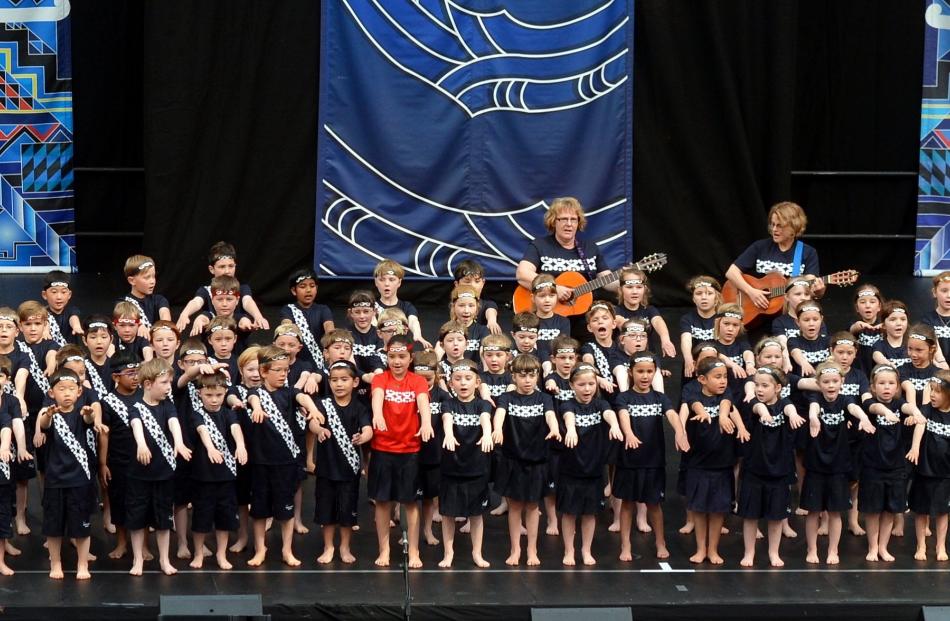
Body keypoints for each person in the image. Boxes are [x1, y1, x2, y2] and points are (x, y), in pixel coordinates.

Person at [245, 346, 322, 568]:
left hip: (286, 463)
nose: (282, 374)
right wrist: (257, 409)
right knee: (259, 511)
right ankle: (260, 549)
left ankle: (287, 550)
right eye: (277, 370)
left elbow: (303, 398)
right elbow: (253, 400)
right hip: (261, 463)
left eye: (286, 370)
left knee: (286, 511)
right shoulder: (256, 393)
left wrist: (313, 409)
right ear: (263, 371)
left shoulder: (288, 393)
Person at [614, 352, 689, 562]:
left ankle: (660, 542)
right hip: (629, 461)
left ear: (655, 373)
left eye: (649, 371)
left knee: (654, 504)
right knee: (627, 504)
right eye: (640, 371)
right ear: (631, 372)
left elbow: (672, 414)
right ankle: (626, 544)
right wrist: (628, 433)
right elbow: (623, 415)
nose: (645, 376)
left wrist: (680, 431)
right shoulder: (624, 397)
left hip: (653, 461)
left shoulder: (660, 397)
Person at [369, 334, 434, 568]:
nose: (396, 361)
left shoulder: (417, 381)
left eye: (401, 356)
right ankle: (384, 550)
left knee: (410, 502)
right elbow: (377, 397)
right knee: (383, 502)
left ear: (410, 358)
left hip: (410, 450)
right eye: (392, 356)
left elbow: (423, 403)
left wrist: (426, 423)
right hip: (383, 449)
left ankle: (414, 550)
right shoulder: (381, 379)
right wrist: (377, 414)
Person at [802, 361, 874, 565]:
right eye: (826, 382)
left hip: (838, 465)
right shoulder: (815, 398)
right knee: (813, 511)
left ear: (842, 381)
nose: (831, 385)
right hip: (816, 464)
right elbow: (813, 408)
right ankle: (812, 549)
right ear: (819, 383)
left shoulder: (845, 400)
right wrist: (813, 417)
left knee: (835, 512)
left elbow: (854, 408)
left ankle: (833, 550)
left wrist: (863, 418)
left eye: (835, 381)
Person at [492, 354, 559, 566]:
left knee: (532, 507)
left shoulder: (544, 398)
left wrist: (555, 428)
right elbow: (500, 414)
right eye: (522, 375)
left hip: (537, 461)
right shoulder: (507, 398)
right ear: (513, 377)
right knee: (514, 507)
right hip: (513, 460)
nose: (528, 380)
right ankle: (515, 549)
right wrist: (496, 429)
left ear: (537, 376)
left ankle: (532, 550)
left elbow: (550, 416)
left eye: (532, 375)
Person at [128, 359, 192, 576]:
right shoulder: (136, 406)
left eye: (169, 382)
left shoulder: (168, 405)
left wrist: (179, 442)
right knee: (137, 520)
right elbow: (136, 424)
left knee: (164, 520)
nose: (168, 387)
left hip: (163, 473)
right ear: (147, 384)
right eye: (164, 382)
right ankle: (138, 559)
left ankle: (165, 559)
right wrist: (141, 444)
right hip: (139, 475)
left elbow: (174, 422)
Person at [737, 366, 803, 568]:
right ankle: (749, 552)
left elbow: (789, 407)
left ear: (778, 388)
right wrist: (764, 412)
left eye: (765, 385)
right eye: (757, 385)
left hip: (779, 470)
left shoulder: (785, 404)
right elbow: (757, 407)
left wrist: (792, 415)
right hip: (754, 469)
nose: (759, 389)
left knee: (776, 517)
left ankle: (774, 552)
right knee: (750, 516)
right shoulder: (753, 403)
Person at [558, 364, 623, 566]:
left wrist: (614, 425)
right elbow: (568, 417)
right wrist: (570, 430)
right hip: (570, 469)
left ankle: (586, 550)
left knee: (589, 513)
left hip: (594, 469)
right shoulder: (567, 405)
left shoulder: (600, 405)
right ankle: (569, 550)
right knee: (569, 513)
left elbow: (609, 414)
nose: (587, 389)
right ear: (572, 385)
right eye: (581, 384)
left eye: (591, 384)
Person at [685, 357, 748, 564]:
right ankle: (700, 548)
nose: (723, 381)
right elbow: (694, 404)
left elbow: (726, 403)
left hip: (722, 465)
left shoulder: (726, 395)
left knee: (718, 510)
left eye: (725, 377)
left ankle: (713, 549)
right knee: (700, 510)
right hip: (698, 464)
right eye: (717, 377)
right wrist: (701, 412)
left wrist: (723, 416)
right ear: (702, 379)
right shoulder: (693, 393)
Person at [38, 370, 97, 581]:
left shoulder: (82, 412)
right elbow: (43, 426)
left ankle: (82, 563)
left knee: (81, 526)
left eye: (71, 389)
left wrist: (90, 413)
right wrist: (48, 415)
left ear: (79, 391)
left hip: (80, 479)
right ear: (51, 392)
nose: (67, 393)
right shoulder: (50, 413)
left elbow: (90, 420)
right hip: (55, 480)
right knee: (53, 528)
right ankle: (56, 563)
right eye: (61, 389)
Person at [312, 361, 371, 564]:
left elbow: (368, 429)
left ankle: (344, 547)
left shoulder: (360, 408)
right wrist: (319, 430)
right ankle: (328, 546)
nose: (339, 384)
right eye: (334, 380)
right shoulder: (323, 404)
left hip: (349, 470)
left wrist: (364, 437)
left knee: (347, 512)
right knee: (326, 512)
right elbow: (313, 421)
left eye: (344, 380)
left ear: (355, 382)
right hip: (326, 469)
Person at [188, 371, 248, 570]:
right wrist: (210, 448)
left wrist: (240, 445)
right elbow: (202, 430)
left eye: (219, 395)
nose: (214, 400)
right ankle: (198, 553)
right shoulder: (196, 413)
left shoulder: (229, 412)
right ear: (199, 393)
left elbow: (235, 428)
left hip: (226, 476)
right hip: (203, 476)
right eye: (209, 395)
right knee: (201, 518)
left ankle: (221, 554)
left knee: (225, 518)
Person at [862, 364, 922, 562]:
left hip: (895, 466)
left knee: (889, 510)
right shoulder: (869, 403)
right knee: (873, 510)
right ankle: (872, 547)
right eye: (881, 383)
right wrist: (885, 413)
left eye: (891, 384)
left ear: (897, 387)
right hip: (873, 466)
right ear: (873, 386)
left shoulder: (899, 405)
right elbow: (875, 407)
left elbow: (907, 406)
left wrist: (916, 412)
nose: (886, 387)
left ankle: (882, 547)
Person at [438, 359, 493, 568]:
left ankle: (477, 553)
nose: (463, 383)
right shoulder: (448, 404)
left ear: (477, 382)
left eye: (468, 379)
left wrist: (487, 434)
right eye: (458, 379)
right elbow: (447, 420)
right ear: (451, 383)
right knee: (448, 514)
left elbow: (485, 419)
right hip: (452, 467)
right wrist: (449, 434)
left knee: (476, 514)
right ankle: (448, 553)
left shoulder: (483, 404)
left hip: (476, 467)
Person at [725, 201, 824, 310]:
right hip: (757, 311)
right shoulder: (760, 247)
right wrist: (751, 292)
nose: (774, 230)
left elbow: (809, 286)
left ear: (794, 227)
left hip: (787, 313)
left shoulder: (807, 252)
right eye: (773, 224)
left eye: (780, 226)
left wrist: (819, 292)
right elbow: (731, 272)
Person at [516, 196, 615, 304]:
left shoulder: (590, 247)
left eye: (573, 219)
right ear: (553, 222)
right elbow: (522, 274)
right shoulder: (540, 245)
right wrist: (553, 288)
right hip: (548, 311)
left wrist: (626, 278)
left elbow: (608, 281)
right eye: (563, 219)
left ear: (578, 223)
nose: (569, 224)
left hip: (585, 312)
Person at [175, 241, 269, 332]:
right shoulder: (205, 291)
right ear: (212, 269)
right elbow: (196, 302)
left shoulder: (242, 289)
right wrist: (185, 314)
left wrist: (257, 316)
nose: (227, 271)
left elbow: (247, 301)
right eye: (222, 267)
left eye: (231, 266)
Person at [907, 370, 950, 561]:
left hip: (945, 473)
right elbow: (920, 425)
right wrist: (915, 447)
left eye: (937, 391)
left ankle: (941, 546)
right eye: (931, 390)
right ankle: (921, 545)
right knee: (921, 510)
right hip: (925, 470)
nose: (932, 394)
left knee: (942, 511)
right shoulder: (927, 409)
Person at [279, 268, 335, 369]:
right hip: (296, 361)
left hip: (319, 362)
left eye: (312, 286)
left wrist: (331, 345)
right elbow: (287, 327)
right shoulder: (288, 310)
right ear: (293, 290)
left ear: (316, 288)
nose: (308, 290)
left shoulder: (323, 309)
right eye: (303, 286)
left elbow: (329, 328)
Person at [374, 260, 430, 349]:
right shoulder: (372, 307)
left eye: (391, 279)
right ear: (376, 282)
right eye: (382, 280)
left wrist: (417, 334)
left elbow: (413, 321)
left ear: (399, 282)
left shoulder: (407, 307)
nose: (386, 284)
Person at [679, 277, 721, 378]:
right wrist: (688, 358)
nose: (704, 297)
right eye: (699, 293)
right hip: (693, 366)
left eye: (709, 293)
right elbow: (686, 340)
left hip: (718, 367)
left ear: (716, 297)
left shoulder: (722, 319)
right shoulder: (687, 319)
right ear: (693, 298)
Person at [120, 255, 171, 338]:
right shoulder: (123, 303)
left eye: (153, 276)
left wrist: (164, 325)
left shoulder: (159, 300)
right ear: (132, 280)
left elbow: (165, 318)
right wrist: (139, 325)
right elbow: (128, 317)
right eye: (147, 277)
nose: (152, 281)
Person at [41, 271, 82, 346]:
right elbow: (45, 322)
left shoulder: (72, 310)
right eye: (54, 292)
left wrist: (76, 326)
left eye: (63, 292)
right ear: (44, 295)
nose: (59, 297)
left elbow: (73, 318)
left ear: (69, 295)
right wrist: (45, 331)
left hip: (71, 352)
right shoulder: (42, 313)